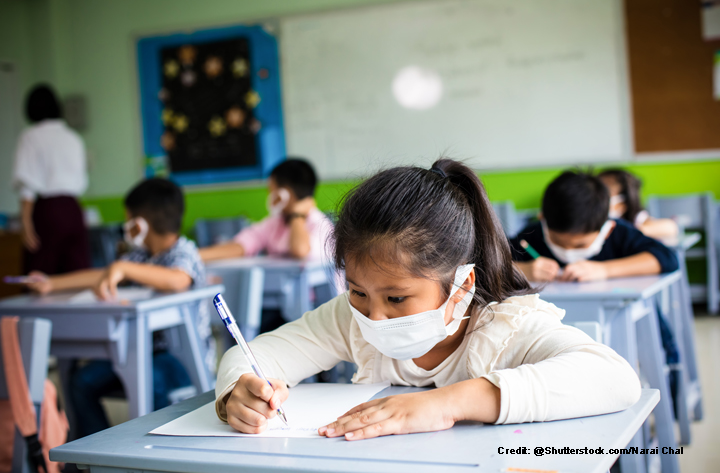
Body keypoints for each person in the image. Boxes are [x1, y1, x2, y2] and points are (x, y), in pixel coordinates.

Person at [214, 159, 640, 439]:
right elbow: (256, 355)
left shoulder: (506, 325)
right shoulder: (350, 317)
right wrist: (240, 390)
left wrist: (446, 404)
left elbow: (615, 380)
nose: (374, 316)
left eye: (398, 298)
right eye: (358, 291)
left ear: (461, 287)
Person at [27, 178, 209, 437]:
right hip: (137, 353)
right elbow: (100, 275)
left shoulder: (184, 251)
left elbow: (178, 279)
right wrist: (51, 283)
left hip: (182, 362)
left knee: (150, 380)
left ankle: (158, 452)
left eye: (128, 222)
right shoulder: (141, 255)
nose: (125, 229)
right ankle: (97, 452)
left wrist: (122, 268)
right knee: (81, 382)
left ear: (140, 224)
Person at [511, 170, 678, 283]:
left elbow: (667, 259)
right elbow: (490, 262)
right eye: (558, 241)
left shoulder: (618, 232)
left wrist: (605, 270)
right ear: (542, 219)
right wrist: (522, 270)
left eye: (580, 245)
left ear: (606, 229)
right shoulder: (532, 234)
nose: (568, 251)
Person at [12, 84, 90, 274]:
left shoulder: (31, 136)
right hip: (74, 210)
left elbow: (28, 184)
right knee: (76, 273)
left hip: (48, 212)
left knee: (40, 276)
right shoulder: (74, 137)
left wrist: (26, 222)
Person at [199, 158, 333, 262]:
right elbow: (241, 246)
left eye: (272, 191)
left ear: (285, 194)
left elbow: (300, 250)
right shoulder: (274, 223)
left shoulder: (321, 225)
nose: (269, 196)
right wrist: (193, 257)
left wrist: (297, 214)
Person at [598, 169, 679, 240]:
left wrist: (630, 231)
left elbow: (671, 227)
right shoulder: (594, 219)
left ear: (622, 204)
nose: (598, 198)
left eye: (607, 193)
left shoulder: (637, 219)